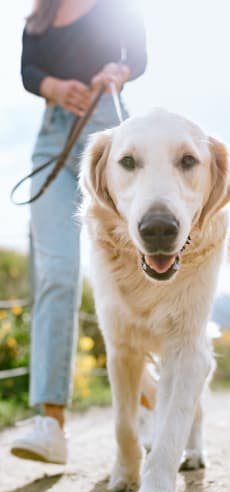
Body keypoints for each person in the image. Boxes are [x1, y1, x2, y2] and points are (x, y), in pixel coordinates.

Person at [11, 0, 147, 464]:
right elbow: (29, 70)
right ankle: (51, 422)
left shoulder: (117, 7)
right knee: (58, 271)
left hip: (109, 131)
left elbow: (139, 56)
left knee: (133, 265)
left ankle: (149, 395)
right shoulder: (40, 16)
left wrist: (117, 69)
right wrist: (51, 85)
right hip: (51, 139)